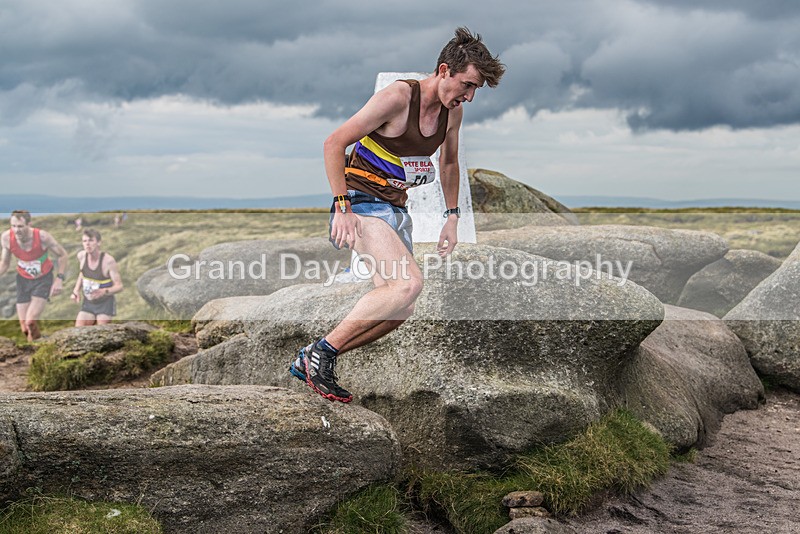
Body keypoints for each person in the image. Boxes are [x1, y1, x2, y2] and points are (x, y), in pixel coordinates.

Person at [289, 27, 505, 402]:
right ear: (444, 70)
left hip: (394, 209)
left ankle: (317, 356)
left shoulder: (453, 113)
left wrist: (451, 216)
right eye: (467, 85)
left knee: (399, 310)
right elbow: (333, 142)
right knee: (408, 284)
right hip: (359, 204)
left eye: (476, 90)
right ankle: (319, 354)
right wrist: (342, 207)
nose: (469, 96)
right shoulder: (398, 97)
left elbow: (449, 162)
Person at [0, 210, 69, 341]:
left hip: (42, 279)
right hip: (23, 280)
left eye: (20, 226)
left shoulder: (42, 237)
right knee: (25, 328)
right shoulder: (6, 238)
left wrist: (59, 279)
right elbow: (4, 263)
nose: (16, 230)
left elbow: (63, 255)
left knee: (30, 321)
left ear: (29, 224)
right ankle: (39, 342)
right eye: (13, 226)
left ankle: (35, 352)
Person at [70, 229, 123, 326]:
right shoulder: (81, 256)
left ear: (98, 242)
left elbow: (119, 286)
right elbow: (83, 274)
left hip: (105, 303)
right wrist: (76, 290)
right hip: (88, 302)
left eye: (90, 240)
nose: (87, 244)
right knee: (78, 330)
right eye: (84, 241)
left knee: (102, 332)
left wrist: (104, 291)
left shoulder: (108, 261)